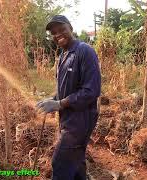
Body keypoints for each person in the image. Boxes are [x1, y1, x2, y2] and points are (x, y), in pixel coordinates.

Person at [36, 15, 101, 180]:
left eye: (61, 29)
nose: (58, 34)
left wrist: (59, 104)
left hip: (81, 120)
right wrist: (52, 99)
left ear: (70, 28)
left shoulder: (84, 51)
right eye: (53, 32)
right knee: (76, 162)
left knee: (60, 164)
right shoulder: (63, 56)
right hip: (68, 118)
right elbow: (65, 87)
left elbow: (91, 91)